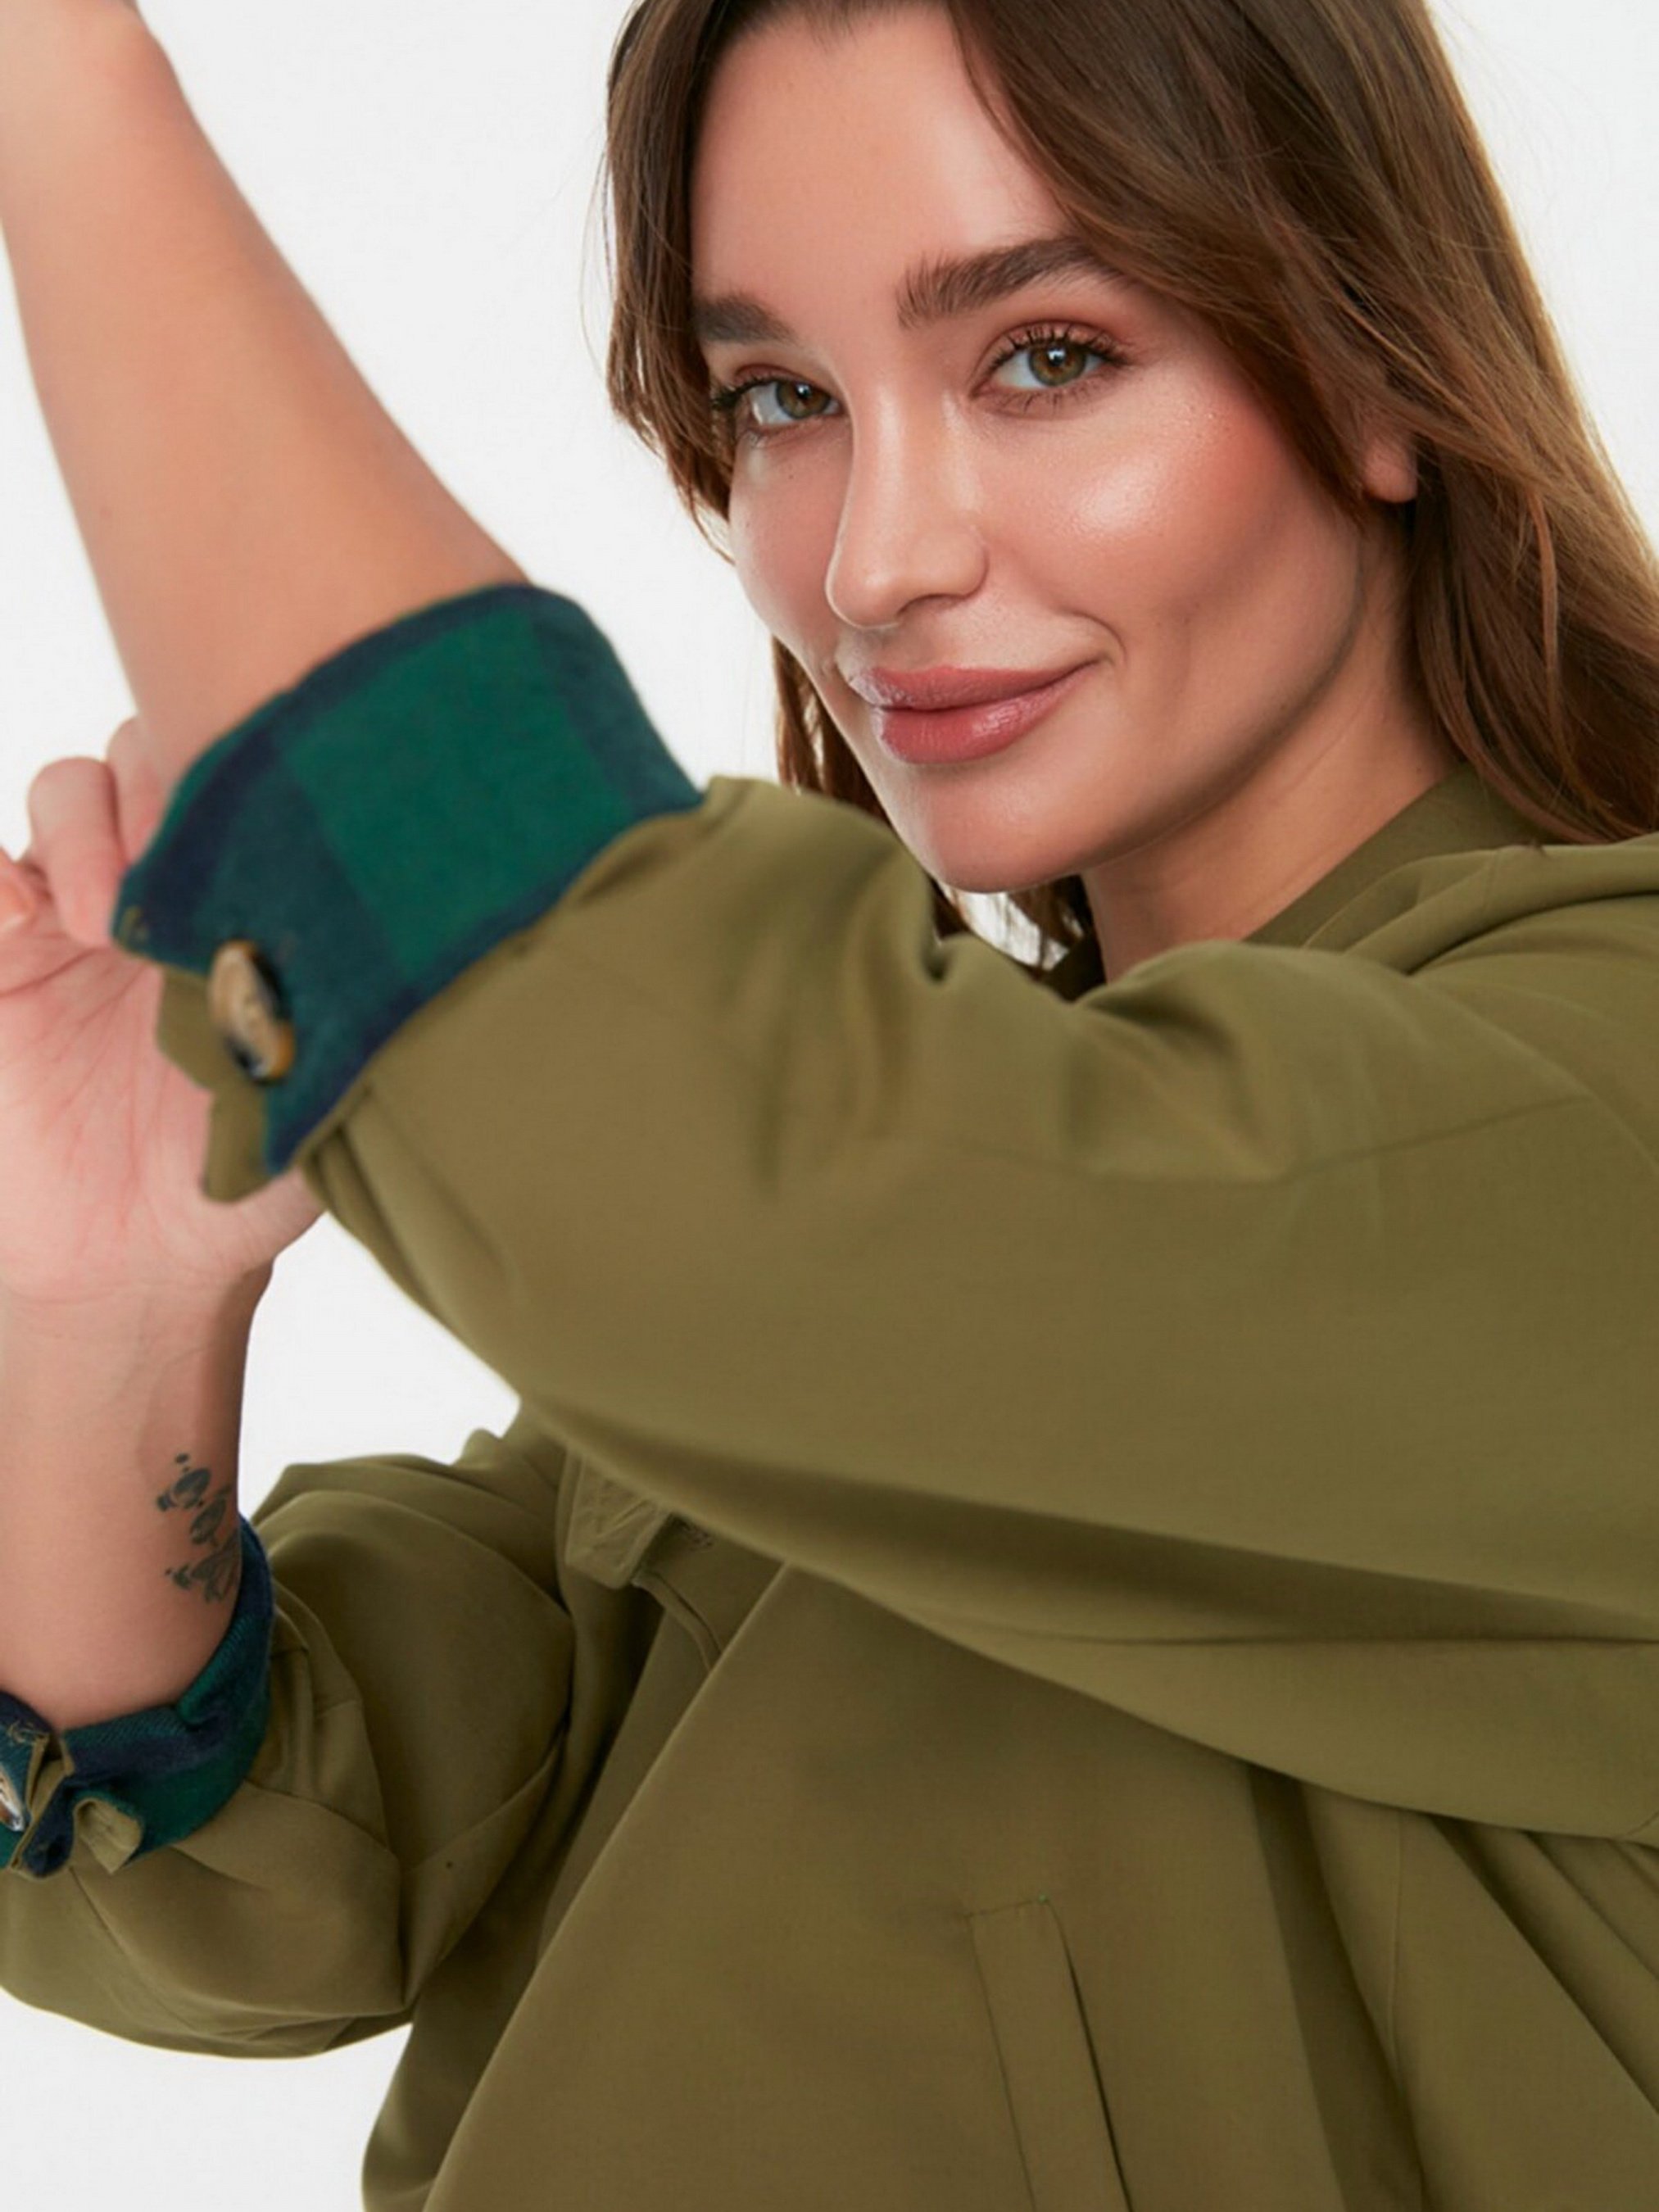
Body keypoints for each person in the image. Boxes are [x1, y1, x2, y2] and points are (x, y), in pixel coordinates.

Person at [1, 0, 1657, 2203]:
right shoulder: (912, 1231)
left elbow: (707, 1154)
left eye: (1046, 357)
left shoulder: (1600, 1110)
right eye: (779, 398)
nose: (873, 562)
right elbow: (280, 1872)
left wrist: (57, 83)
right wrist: (97, 1309)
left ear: (1373, 368)